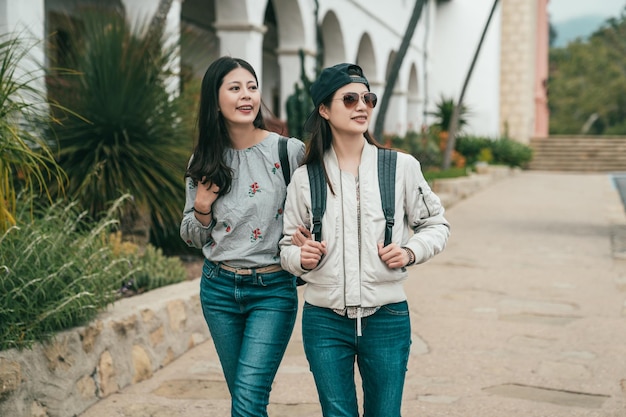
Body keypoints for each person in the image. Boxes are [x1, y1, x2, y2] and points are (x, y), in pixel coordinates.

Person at [279, 63, 451, 417]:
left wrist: (409, 251)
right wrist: (301, 258)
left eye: (368, 98)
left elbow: (437, 224)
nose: (362, 106)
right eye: (350, 98)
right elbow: (287, 247)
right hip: (324, 320)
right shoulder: (304, 178)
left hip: (387, 318)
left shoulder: (400, 167)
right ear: (324, 110)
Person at [179, 56, 305, 417]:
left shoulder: (287, 151)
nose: (246, 95)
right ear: (215, 99)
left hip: (272, 291)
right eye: (235, 88)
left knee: (248, 402)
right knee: (245, 401)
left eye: (251, 87)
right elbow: (191, 235)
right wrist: (202, 206)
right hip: (218, 290)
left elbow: (314, 208)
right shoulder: (202, 159)